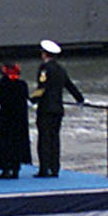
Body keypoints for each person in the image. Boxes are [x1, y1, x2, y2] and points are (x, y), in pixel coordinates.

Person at [31, 42, 83, 178]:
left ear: (44, 54)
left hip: (45, 108)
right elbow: (69, 85)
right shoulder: (61, 69)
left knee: (44, 139)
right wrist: (80, 99)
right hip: (58, 108)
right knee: (55, 139)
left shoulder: (44, 68)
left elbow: (42, 87)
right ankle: (55, 168)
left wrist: (32, 101)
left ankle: (44, 168)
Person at [0, 65, 30, 180]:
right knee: (17, 143)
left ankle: (6, 169)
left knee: (5, 144)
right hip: (19, 121)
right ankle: (16, 169)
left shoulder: (3, 84)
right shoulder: (22, 85)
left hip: (5, 120)